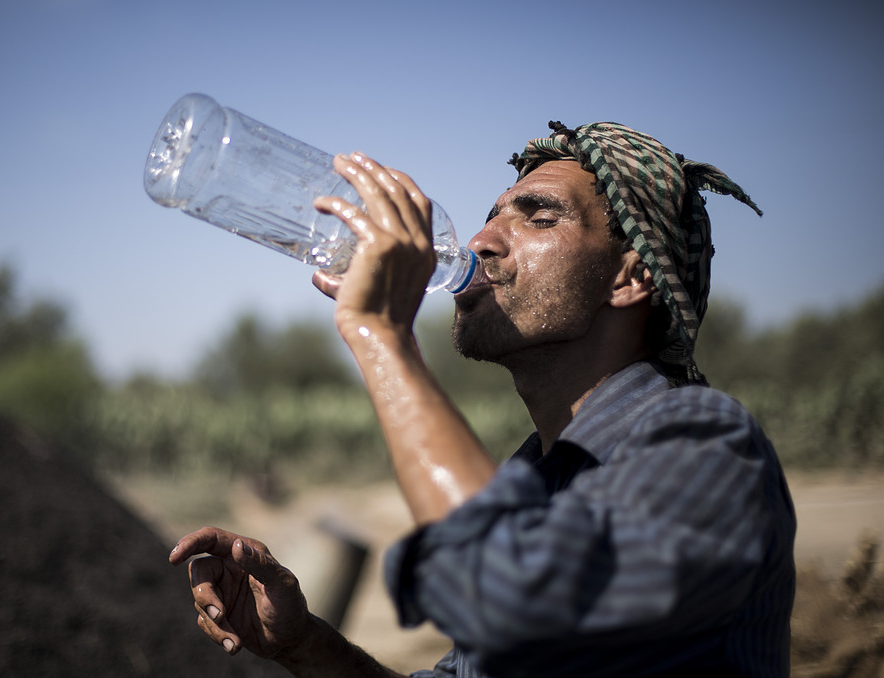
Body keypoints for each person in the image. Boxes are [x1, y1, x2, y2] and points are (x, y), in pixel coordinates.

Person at [168, 121, 796, 677]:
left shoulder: (706, 447)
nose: (481, 241)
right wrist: (304, 645)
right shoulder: (534, 477)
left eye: (540, 218)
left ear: (630, 277)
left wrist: (381, 335)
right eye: (492, 216)